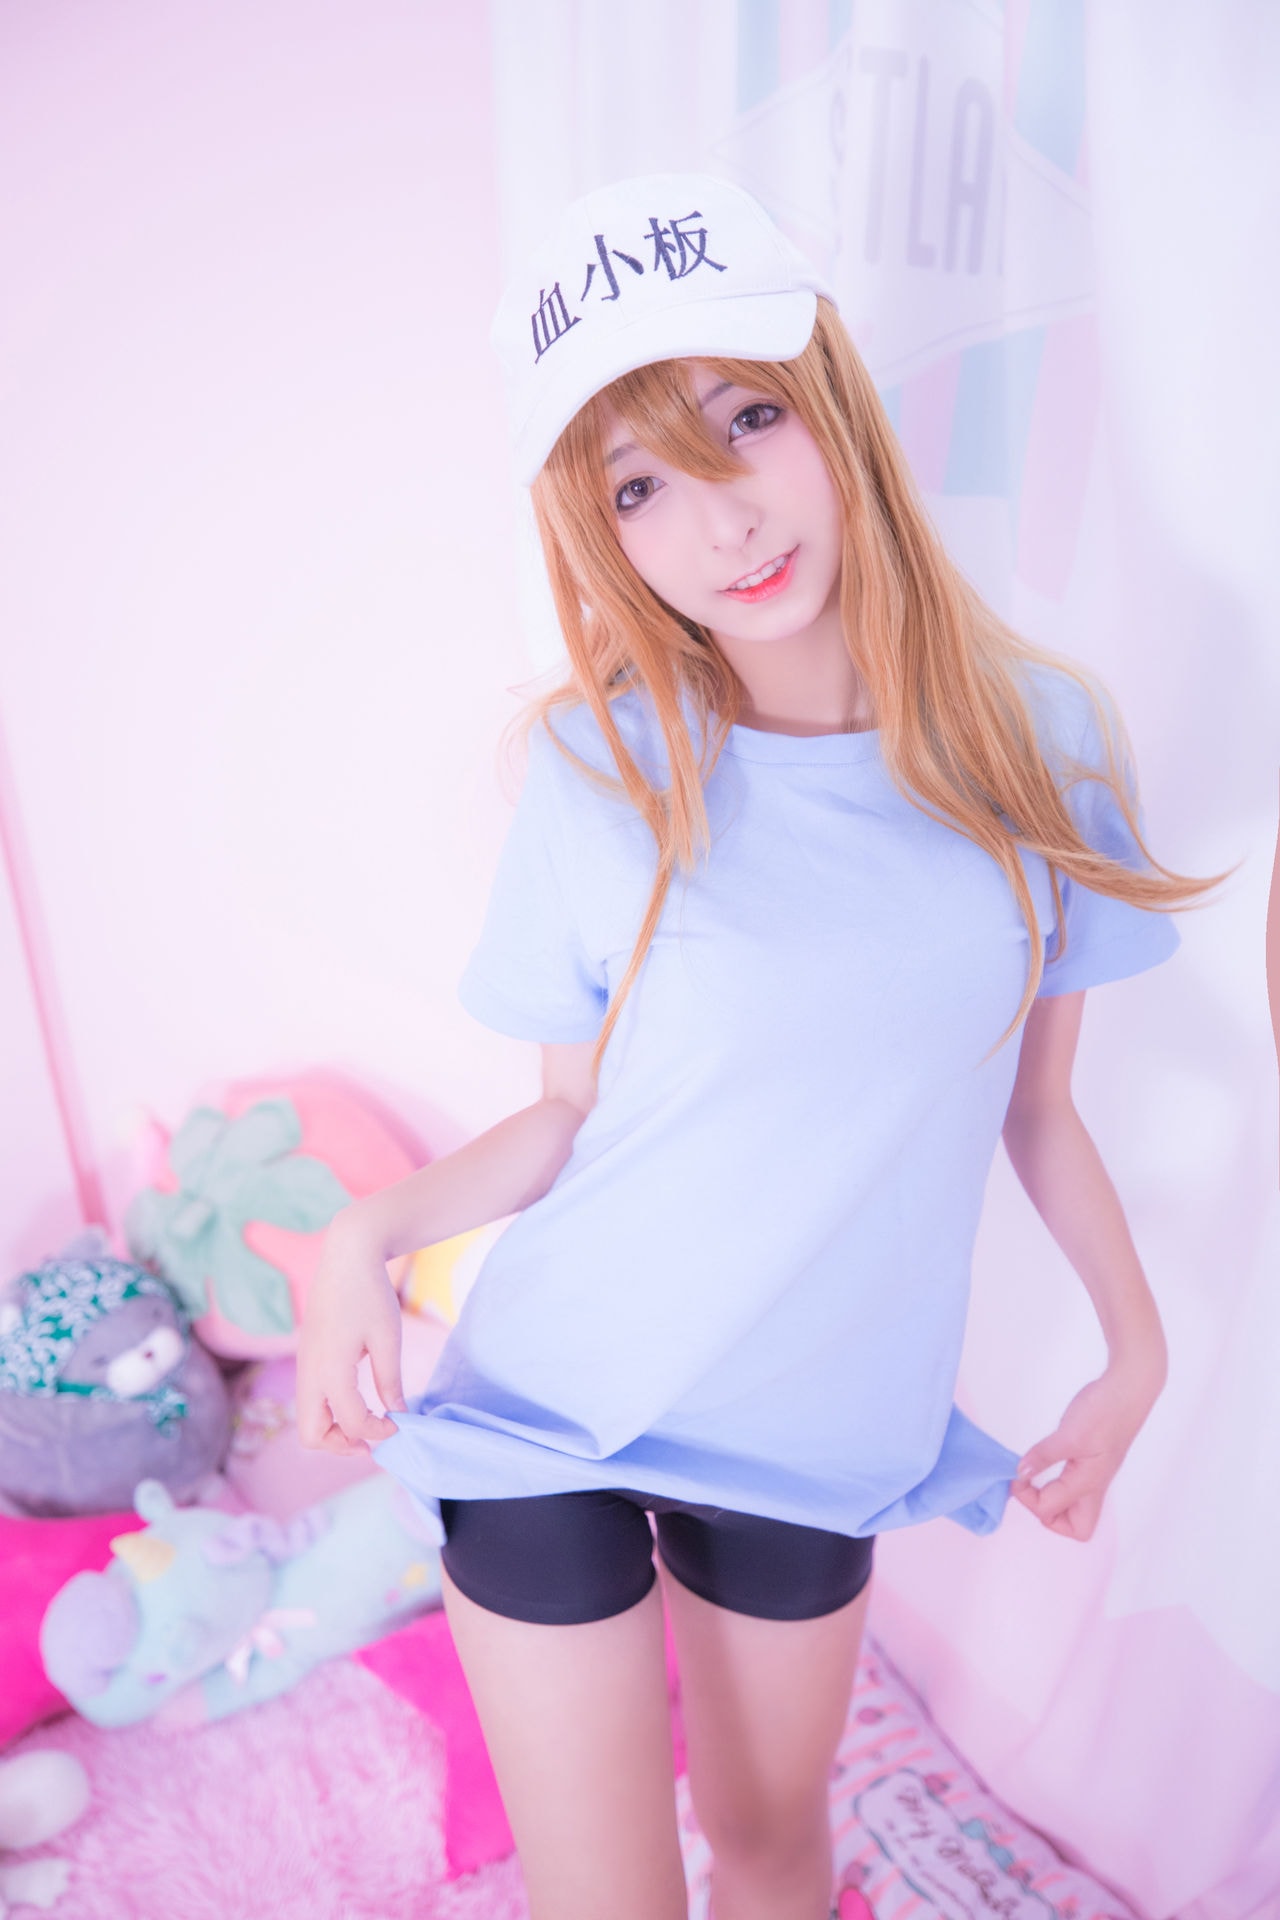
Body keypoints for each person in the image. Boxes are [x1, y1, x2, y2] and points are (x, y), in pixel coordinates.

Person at [296, 172, 1228, 1920]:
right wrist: (367, 1233)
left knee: (777, 1848)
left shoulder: (1040, 740)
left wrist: (1139, 1347)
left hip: (816, 1430)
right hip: (556, 1405)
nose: (721, 521)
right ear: (603, 537)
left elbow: (1039, 1111)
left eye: (747, 419)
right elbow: (566, 1117)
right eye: (638, 486)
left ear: (834, 404)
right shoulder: (602, 763)